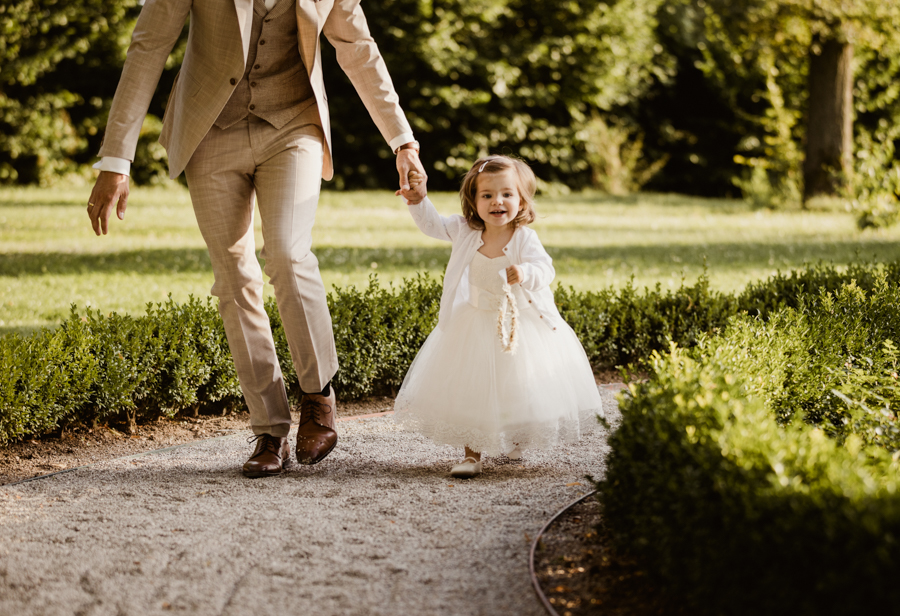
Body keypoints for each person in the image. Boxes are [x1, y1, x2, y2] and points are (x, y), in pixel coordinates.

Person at [85, 0, 427, 478]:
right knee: (234, 278)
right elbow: (148, 47)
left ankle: (318, 396)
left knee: (287, 253)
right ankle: (270, 429)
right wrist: (116, 160)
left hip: (293, 125)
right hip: (209, 129)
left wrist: (403, 142)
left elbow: (358, 48)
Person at [394, 156, 603, 478]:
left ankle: (516, 436)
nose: (497, 202)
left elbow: (545, 268)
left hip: (519, 325)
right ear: (473, 200)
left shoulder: (523, 237)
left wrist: (526, 272)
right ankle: (471, 454)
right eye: (487, 195)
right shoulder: (465, 231)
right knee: (471, 389)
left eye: (507, 194)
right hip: (475, 322)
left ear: (521, 201)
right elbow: (432, 225)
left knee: (517, 384)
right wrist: (419, 199)